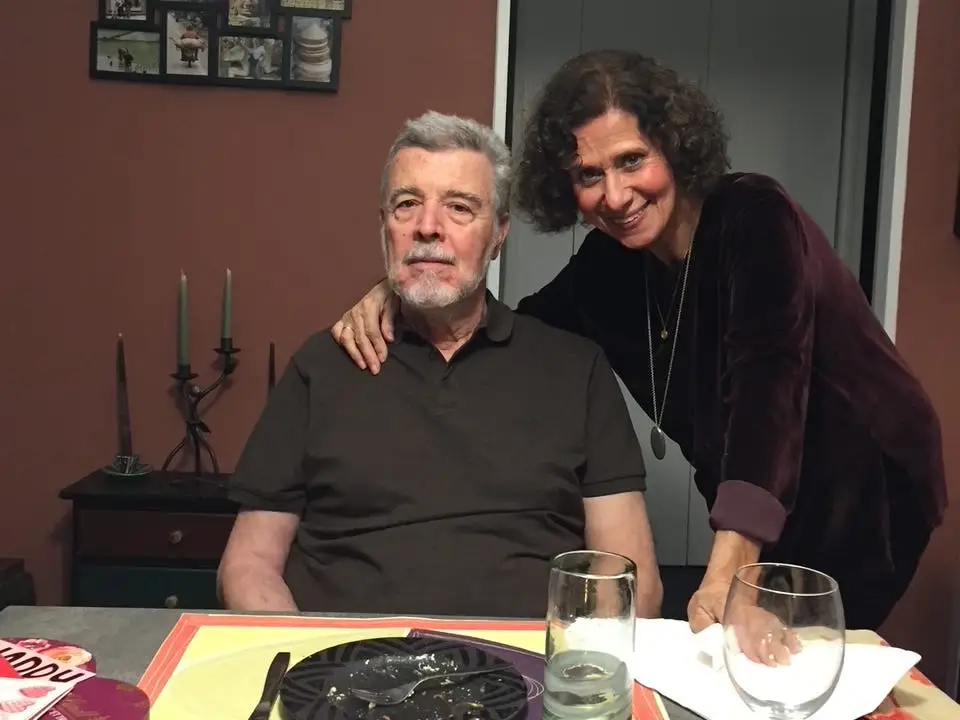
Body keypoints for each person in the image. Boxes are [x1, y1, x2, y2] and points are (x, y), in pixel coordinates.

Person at [331, 50, 947, 643]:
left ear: (675, 146)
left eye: (632, 161)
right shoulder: (610, 265)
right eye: (588, 175)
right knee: (746, 648)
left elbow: (769, 393)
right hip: (749, 488)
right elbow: (515, 329)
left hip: (864, 481)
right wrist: (407, 285)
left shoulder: (756, 217)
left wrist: (732, 567)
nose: (617, 196)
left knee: (804, 656)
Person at [218, 110, 661, 619]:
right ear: (384, 226)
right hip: (343, 674)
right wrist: (304, 664)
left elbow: (632, 579)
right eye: (407, 205)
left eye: (459, 208)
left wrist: (570, 673)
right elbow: (248, 564)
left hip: (526, 676)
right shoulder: (321, 366)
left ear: (498, 234)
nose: (428, 228)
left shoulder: (576, 370)